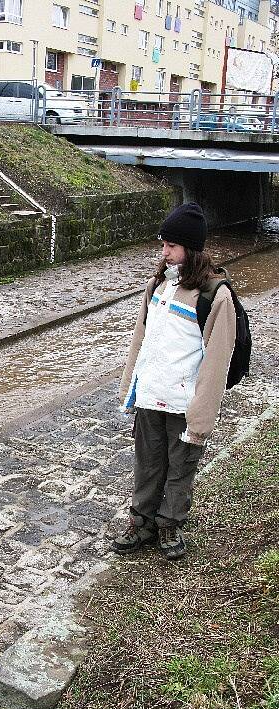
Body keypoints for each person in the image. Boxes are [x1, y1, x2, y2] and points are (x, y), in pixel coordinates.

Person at [113, 202, 236, 560]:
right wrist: (129, 388)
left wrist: (202, 417)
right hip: (151, 395)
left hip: (185, 402)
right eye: (162, 244)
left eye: (171, 246)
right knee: (148, 464)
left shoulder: (216, 296)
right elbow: (140, 339)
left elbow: (217, 361)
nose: (163, 252)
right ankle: (142, 522)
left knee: (180, 468)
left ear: (191, 248)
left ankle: (169, 526)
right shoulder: (156, 286)